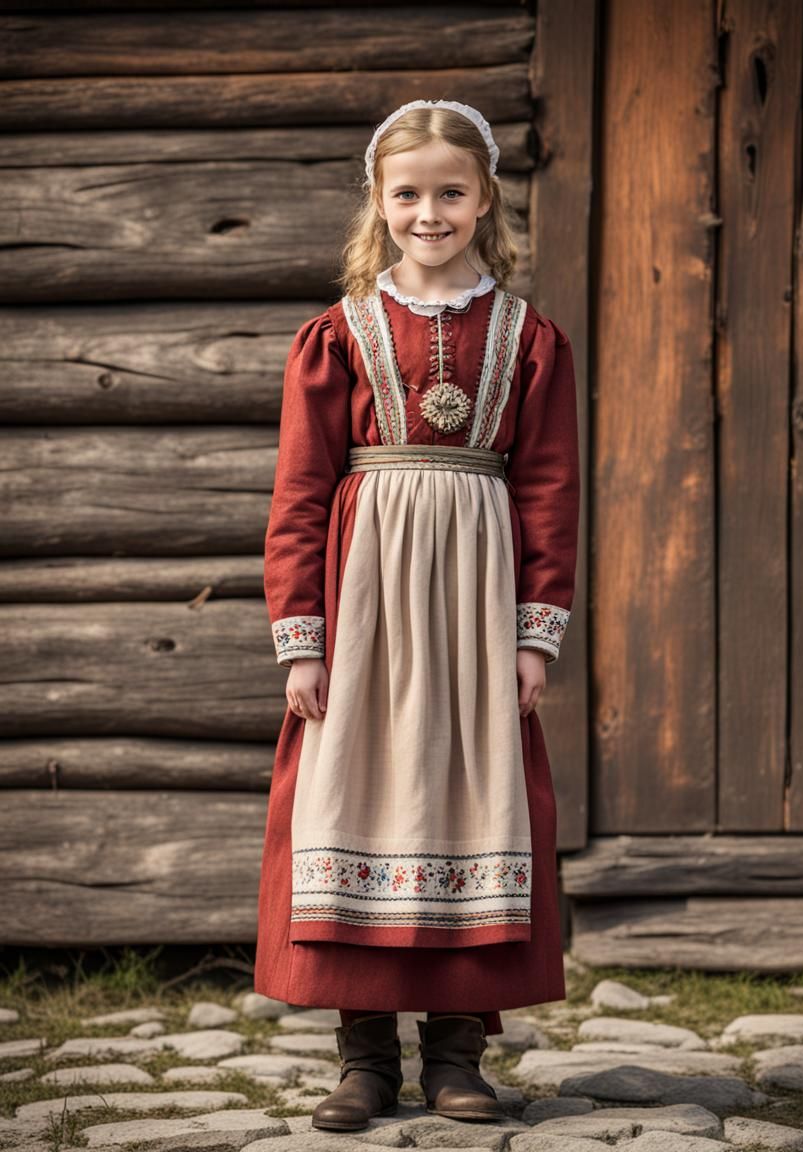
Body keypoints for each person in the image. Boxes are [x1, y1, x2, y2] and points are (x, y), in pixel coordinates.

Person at [255, 98, 580, 1132]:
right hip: (366, 609)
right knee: (356, 797)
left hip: (476, 610)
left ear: (484, 198)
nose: (428, 212)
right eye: (407, 194)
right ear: (378, 201)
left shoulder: (527, 338)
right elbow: (299, 494)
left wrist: (534, 631)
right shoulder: (338, 335)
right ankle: (363, 1058)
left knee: (467, 801)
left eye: (450, 191)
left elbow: (548, 489)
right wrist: (302, 639)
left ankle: (453, 1056)